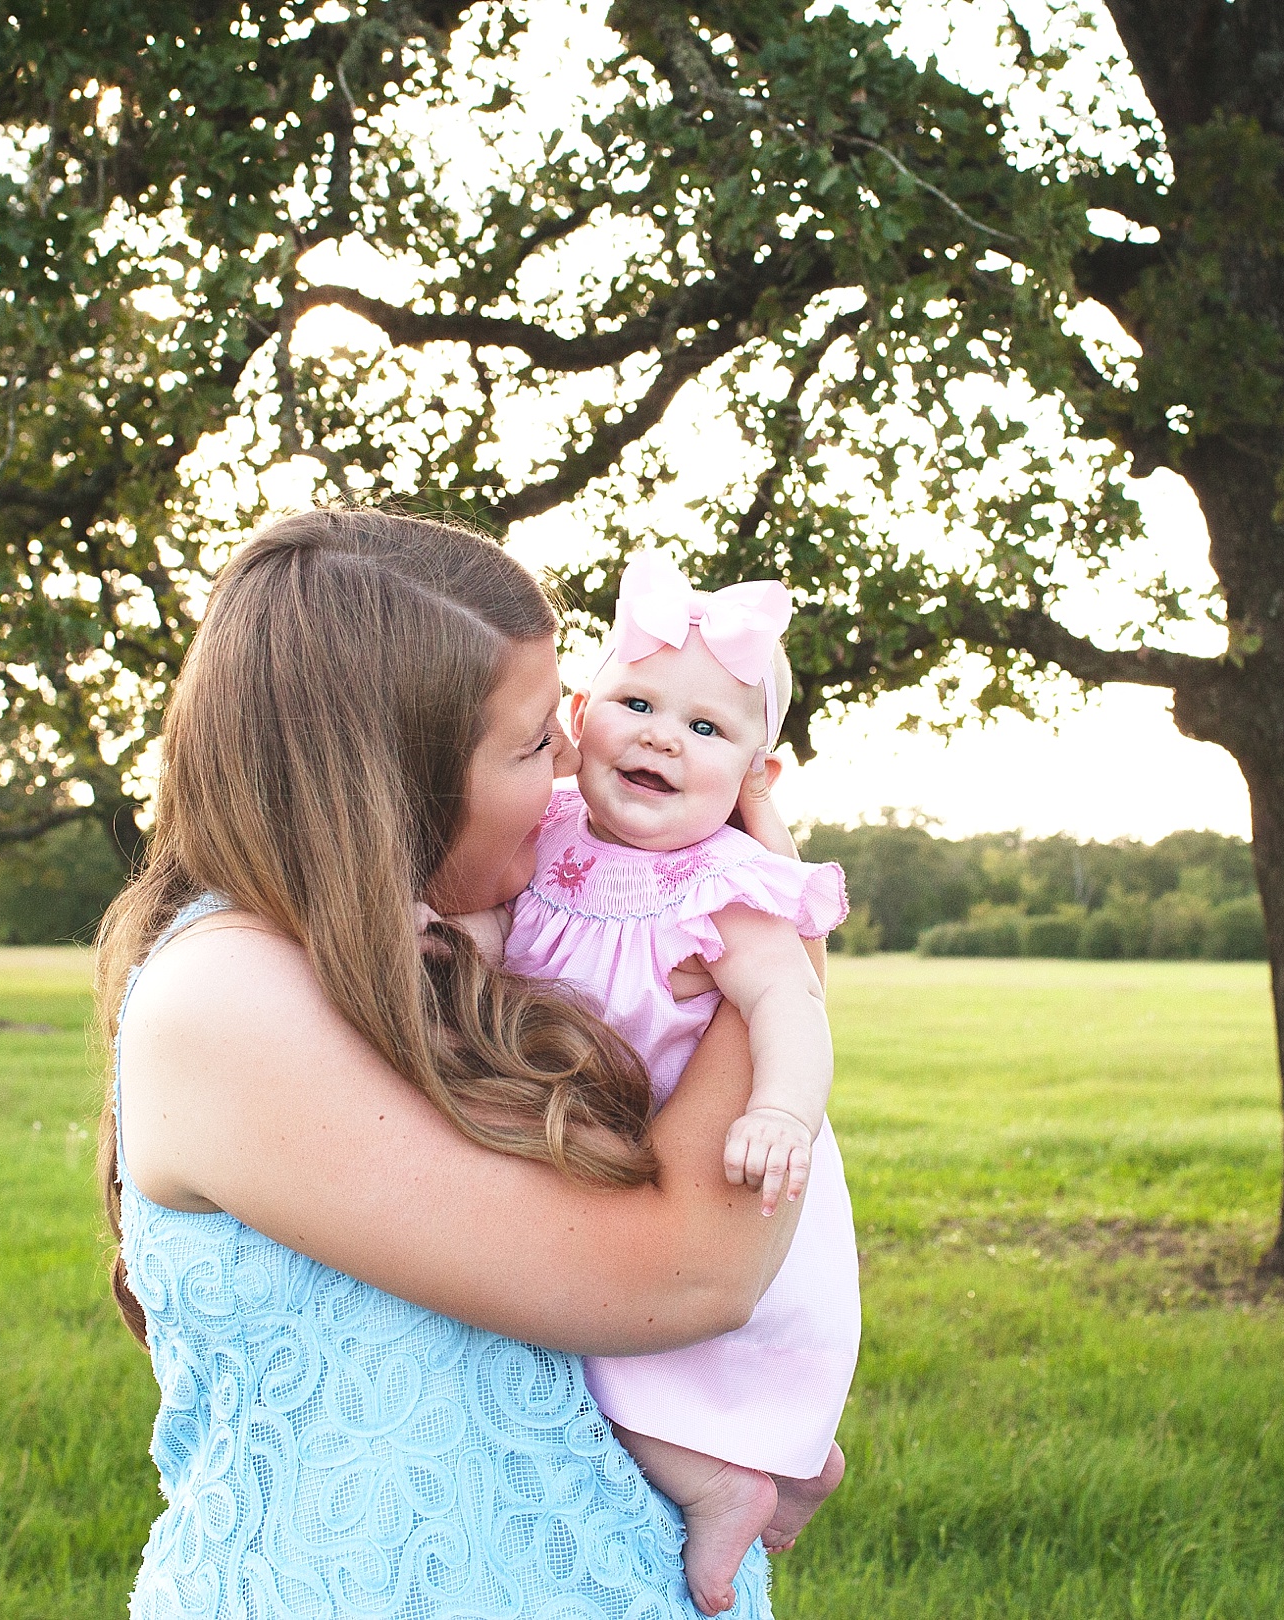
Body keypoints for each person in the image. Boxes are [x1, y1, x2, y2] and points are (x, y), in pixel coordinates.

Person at [97, 510, 815, 1618]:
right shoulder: (226, 995)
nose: (581, 760)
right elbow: (686, 1272)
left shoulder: (460, 939)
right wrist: (778, 921)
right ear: (393, 779)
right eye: (536, 743)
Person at [459, 552, 858, 1614]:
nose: (660, 737)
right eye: (637, 704)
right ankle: (795, 1460)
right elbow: (496, 928)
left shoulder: (724, 887)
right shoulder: (541, 829)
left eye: (706, 729)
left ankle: (725, 1480)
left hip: (703, 1146)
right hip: (587, 1135)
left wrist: (779, 1109)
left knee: (609, 1347)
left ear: (751, 779)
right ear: (578, 717)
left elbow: (790, 1006)